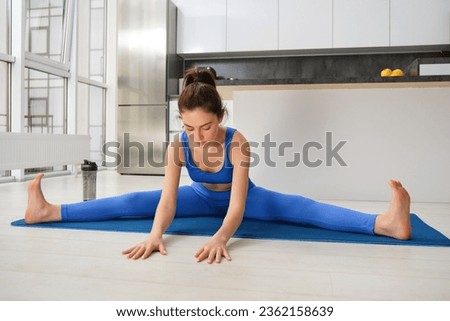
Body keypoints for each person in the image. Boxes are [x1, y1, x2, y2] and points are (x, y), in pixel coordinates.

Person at [24, 67, 412, 264]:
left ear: (220, 117)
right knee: (136, 200)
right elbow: (167, 201)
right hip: (198, 197)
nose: (198, 136)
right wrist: (157, 234)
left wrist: (222, 238)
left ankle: (385, 223)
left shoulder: (236, 142)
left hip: (245, 200)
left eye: (206, 126)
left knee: (303, 208)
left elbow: (238, 207)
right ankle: (49, 211)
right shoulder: (178, 145)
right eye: (189, 127)